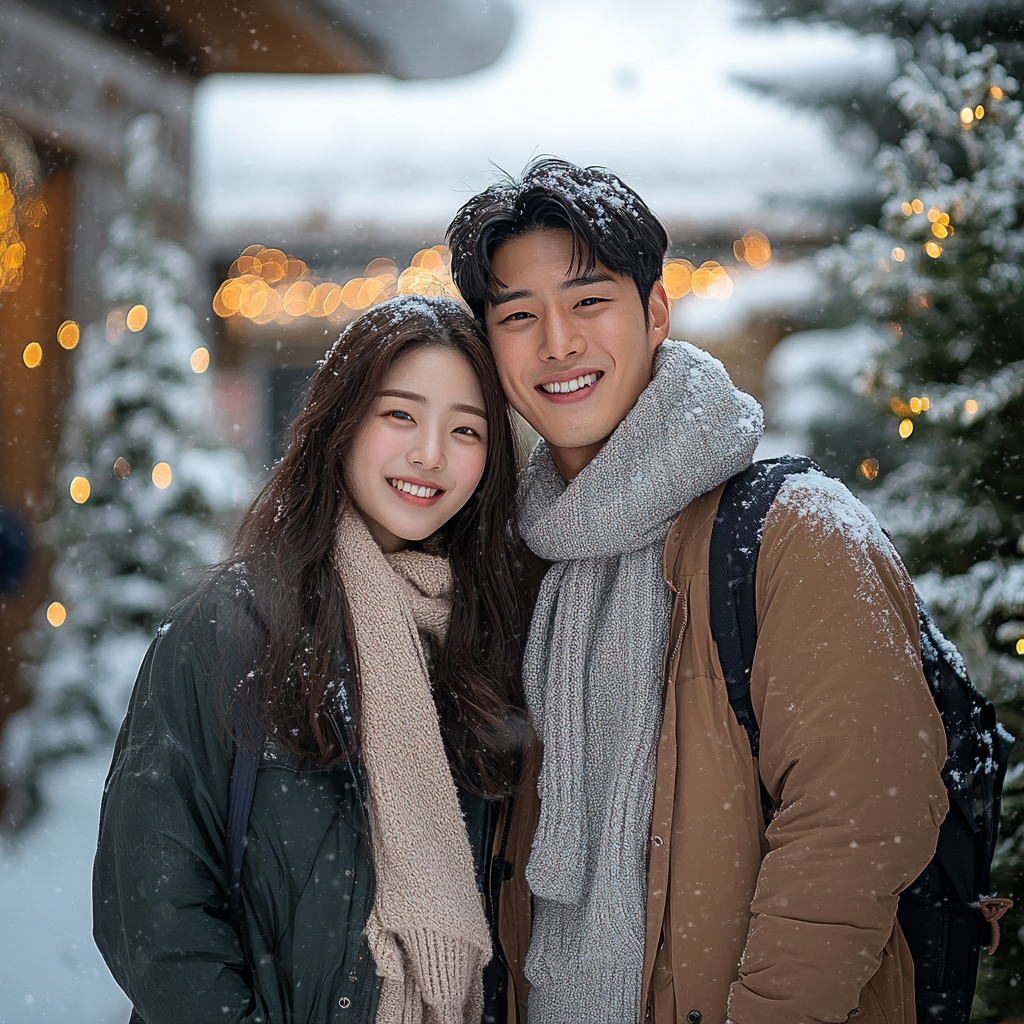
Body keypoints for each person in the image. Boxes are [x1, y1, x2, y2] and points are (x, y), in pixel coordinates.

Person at [446, 159, 949, 1024]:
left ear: (656, 313)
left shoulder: (795, 532)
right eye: (518, 316)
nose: (558, 342)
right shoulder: (519, 560)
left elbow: (860, 825)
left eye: (589, 301)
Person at [93, 295, 532, 1024]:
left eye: (466, 430)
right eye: (400, 415)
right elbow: (154, 915)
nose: (430, 454)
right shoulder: (230, 629)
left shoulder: (490, 643)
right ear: (342, 421)